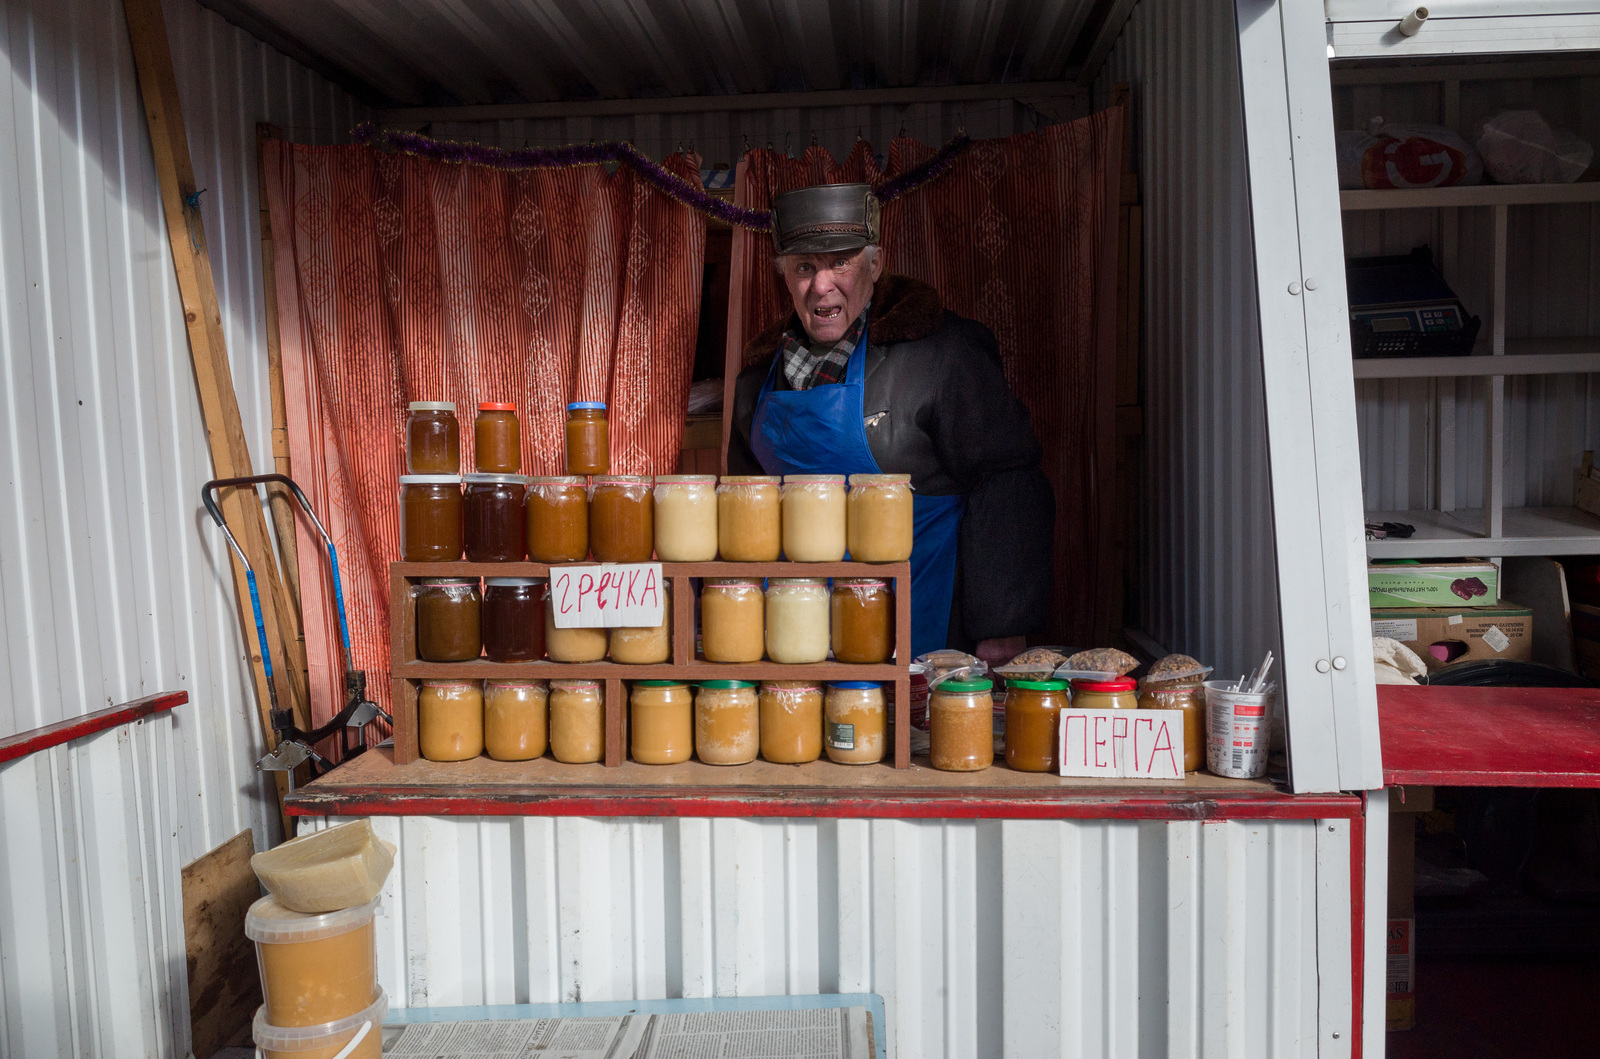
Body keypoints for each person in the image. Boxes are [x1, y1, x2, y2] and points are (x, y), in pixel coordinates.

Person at [729, 182, 1054, 665]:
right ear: (785, 278)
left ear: (875, 265)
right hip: (798, 640)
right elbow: (746, 509)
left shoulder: (941, 355)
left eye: (841, 262)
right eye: (803, 267)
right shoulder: (757, 381)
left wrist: (1003, 626)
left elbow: (1007, 480)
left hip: (928, 625)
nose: (822, 286)